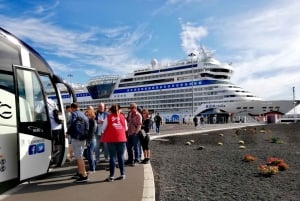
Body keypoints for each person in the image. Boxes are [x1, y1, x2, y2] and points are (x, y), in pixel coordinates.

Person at [101, 104, 127, 182]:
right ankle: (122, 174)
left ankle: (111, 176)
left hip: (111, 139)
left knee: (112, 157)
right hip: (122, 139)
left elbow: (103, 128)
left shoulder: (108, 117)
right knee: (121, 157)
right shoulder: (122, 117)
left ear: (111, 110)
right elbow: (126, 128)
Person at [67, 103, 89, 182]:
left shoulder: (74, 114)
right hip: (83, 138)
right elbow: (87, 127)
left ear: (72, 108)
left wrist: (68, 132)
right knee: (79, 155)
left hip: (76, 138)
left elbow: (72, 124)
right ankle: (80, 173)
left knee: (79, 157)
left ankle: (84, 175)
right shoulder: (84, 115)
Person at [85, 109, 97, 173]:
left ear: (91, 114)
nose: (87, 116)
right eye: (86, 115)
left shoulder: (92, 121)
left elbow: (91, 132)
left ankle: (92, 169)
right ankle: (93, 166)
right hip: (91, 139)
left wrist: (88, 140)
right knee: (89, 153)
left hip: (91, 139)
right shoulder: (90, 121)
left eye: (88, 114)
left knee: (90, 154)